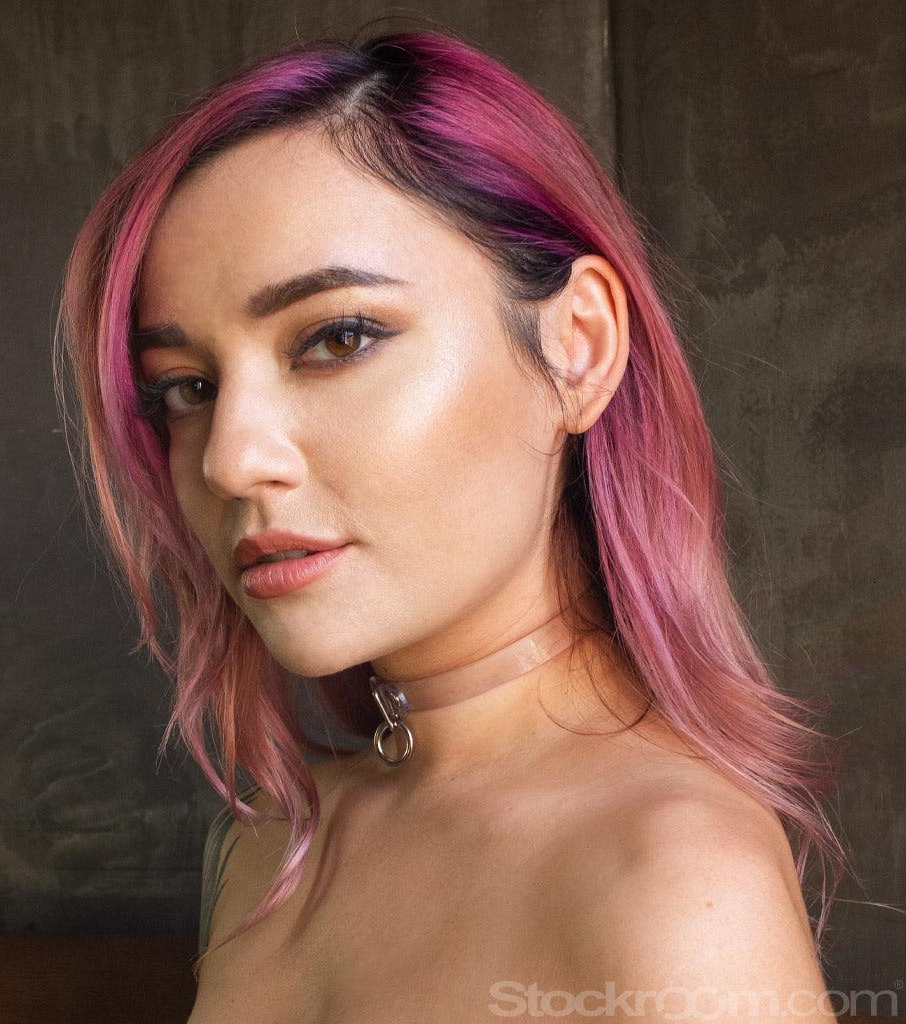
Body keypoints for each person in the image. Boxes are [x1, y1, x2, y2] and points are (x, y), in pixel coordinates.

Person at [54, 25, 851, 1023]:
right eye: (188, 387)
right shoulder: (271, 843)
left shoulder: (668, 871)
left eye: (337, 337)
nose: (227, 456)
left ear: (577, 348)